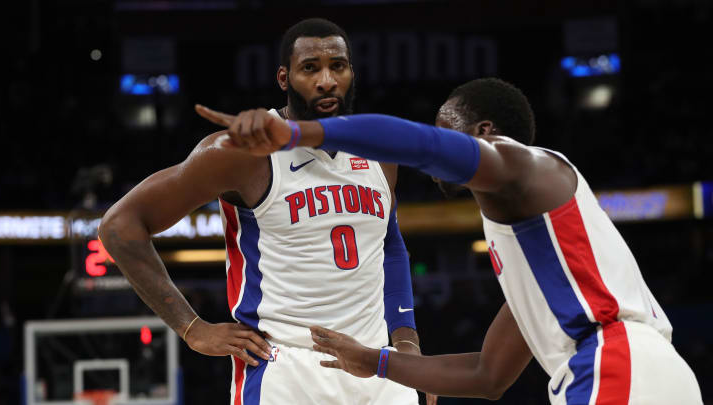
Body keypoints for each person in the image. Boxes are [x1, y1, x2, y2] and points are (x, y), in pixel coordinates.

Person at [194, 77, 704, 404]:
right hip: (650, 373)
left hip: (616, 364)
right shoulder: (536, 239)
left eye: (449, 130)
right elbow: (488, 375)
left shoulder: (520, 162)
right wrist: (375, 362)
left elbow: (419, 145)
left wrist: (301, 135)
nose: (438, 151)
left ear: (484, 131)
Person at [100, 18, 426, 405]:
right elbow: (120, 227)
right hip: (287, 372)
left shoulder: (380, 147)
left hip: (376, 368)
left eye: (337, 66)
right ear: (284, 78)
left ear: (352, 73)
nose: (326, 80)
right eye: (310, 68)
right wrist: (192, 328)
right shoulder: (243, 153)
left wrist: (406, 339)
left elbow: (390, 245)